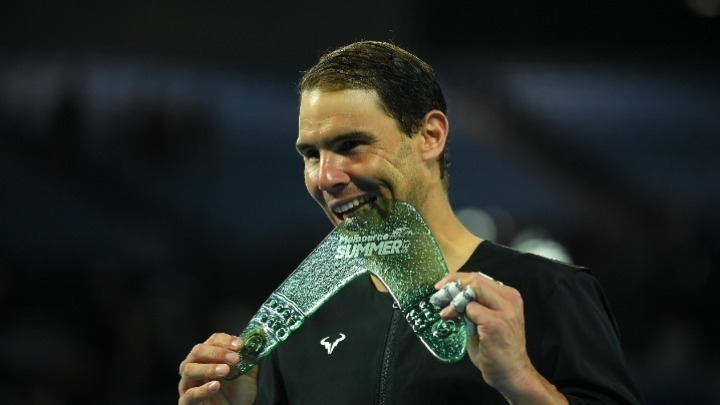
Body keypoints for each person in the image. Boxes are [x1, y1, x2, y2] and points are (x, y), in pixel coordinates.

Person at [178, 41, 645, 404]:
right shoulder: (299, 323)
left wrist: (521, 381)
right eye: (311, 154)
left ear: (430, 135)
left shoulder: (550, 292)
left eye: (351, 145)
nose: (325, 177)